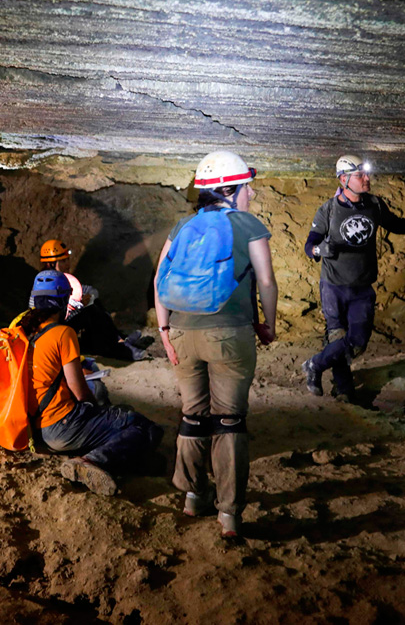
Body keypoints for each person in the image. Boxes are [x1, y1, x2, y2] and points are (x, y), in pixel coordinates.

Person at [154, 150, 277, 538]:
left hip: (182, 334)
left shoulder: (183, 226)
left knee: (193, 415)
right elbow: (268, 282)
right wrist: (267, 324)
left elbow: (160, 281)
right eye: (247, 187)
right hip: (229, 333)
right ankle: (229, 515)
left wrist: (164, 332)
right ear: (230, 190)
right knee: (228, 420)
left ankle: (193, 497)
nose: (251, 193)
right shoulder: (247, 225)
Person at [301, 154, 405, 401]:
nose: (367, 179)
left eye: (366, 174)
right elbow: (310, 244)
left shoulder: (374, 205)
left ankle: (314, 365)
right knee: (338, 337)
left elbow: (398, 225)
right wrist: (320, 250)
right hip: (334, 287)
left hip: (362, 287)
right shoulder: (329, 210)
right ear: (344, 180)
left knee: (357, 342)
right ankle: (344, 391)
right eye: (360, 175)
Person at [24, 270, 163, 496]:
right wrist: (96, 409)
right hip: (64, 426)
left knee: (126, 429)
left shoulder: (27, 332)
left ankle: (128, 461)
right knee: (145, 427)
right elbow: (80, 392)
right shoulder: (62, 333)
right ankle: (90, 461)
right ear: (62, 300)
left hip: (38, 428)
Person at [38, 239, 152, 361]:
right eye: (63, 261)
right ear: (50, 264)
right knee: (90, 309)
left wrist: (89, 297)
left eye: (67, 259)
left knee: (94, 302)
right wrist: (79, 304)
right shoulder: (46, 283)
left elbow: (87, 289)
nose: (68, 264)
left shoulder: (62, 279)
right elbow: (53, 315)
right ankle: (116, 347)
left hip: (65, 324)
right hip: (55, 331)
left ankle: (118, 339)